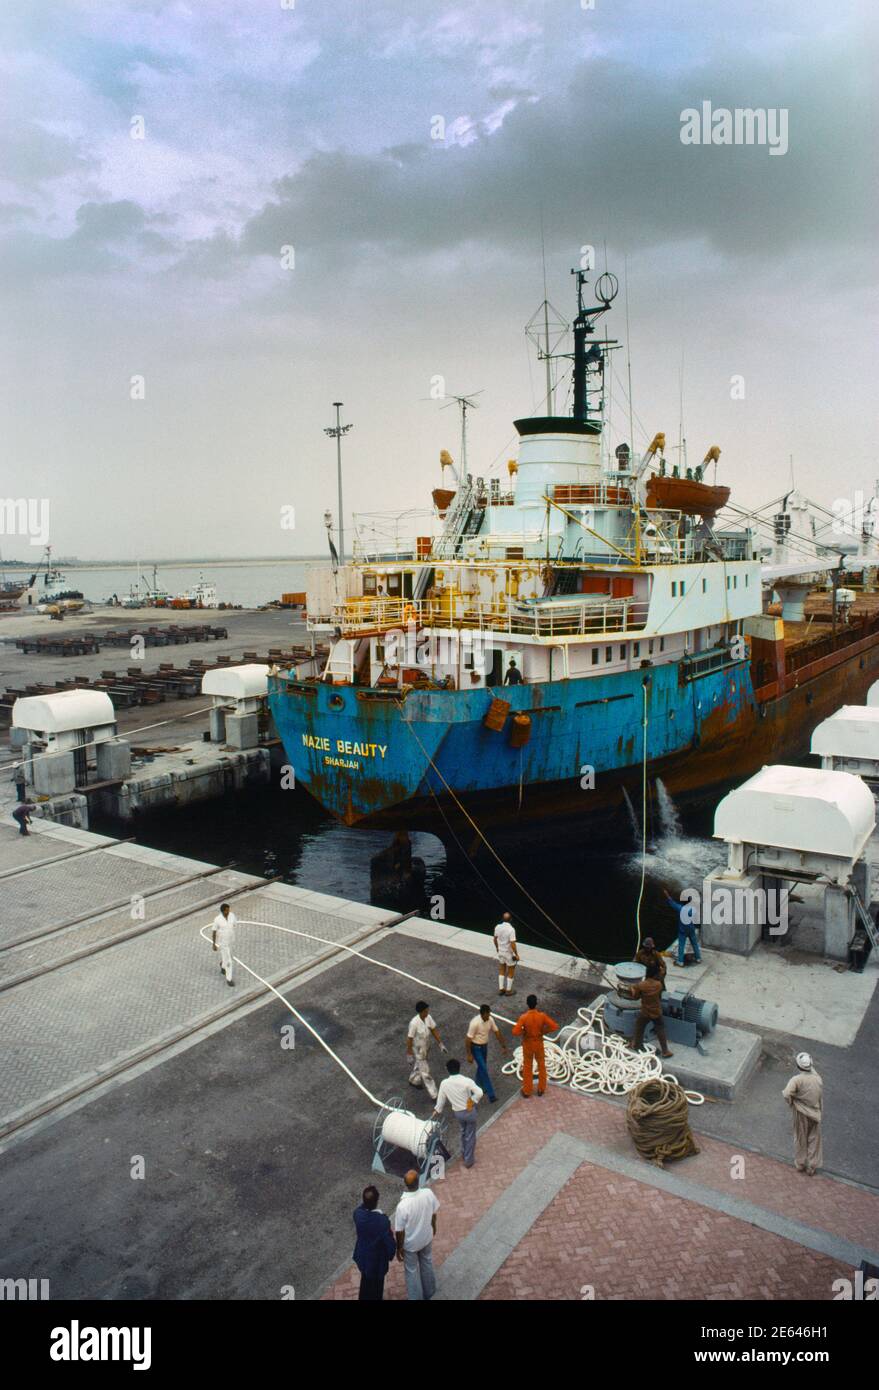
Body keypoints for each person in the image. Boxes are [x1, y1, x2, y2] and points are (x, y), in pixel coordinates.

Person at [394, 1169, 440, 1300]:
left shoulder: (403, 1206)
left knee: (411, 1271)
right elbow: (434, 1214)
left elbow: (399, 1231)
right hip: (426, 1238)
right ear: (418, 1181)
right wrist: (434, 1227)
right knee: (427, 1262)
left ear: (405, 1184)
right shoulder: (428, 1193)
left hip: (411, 1245)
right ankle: (430, 1292)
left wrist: (399, 1248)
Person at [433, 1058, 483, 1168]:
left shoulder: (444, 1083)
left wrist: (437, 1110)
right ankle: (468, 1160)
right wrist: (472, 1100)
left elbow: (441, 1101)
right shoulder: (466, 1081)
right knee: (470, 1136)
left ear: (448, 1069)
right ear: (459, 1068)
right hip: (469, 1111)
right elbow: (479, 1092)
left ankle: (464, 1152)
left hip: (458, 1113)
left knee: (463, 1132)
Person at [782, 1052, 824, 1176]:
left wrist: (792, 1102)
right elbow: (820, 1098)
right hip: (815, 1113)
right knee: (814, 1139)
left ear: (798, 1066)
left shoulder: (797, 1080)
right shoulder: (818, 1079)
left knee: (801, 1138)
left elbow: (786, 1093)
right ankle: (812, 1166)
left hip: (801, 1113)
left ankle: (800, 1163)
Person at [352, 1185, 396, 1301]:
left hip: (363, 1258)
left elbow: (361, 1208)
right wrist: (391, 1254)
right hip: (377, 1261)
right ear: (376, 1202)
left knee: (365, 1283)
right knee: (377, 1288)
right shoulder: (382, 1221)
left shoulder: (358, 1215)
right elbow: (390, 1243)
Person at [512, 994, 560, 1098]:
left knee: (527, 1067)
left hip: (528, 1044)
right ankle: (541, 1089)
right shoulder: (542, 1016)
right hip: (538, 1042)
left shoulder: (523, 1017)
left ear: (527, 1004)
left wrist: (524, 1032)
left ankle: (527, 1091)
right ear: (536, 1003)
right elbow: (554, 1026)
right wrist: (543, 1032)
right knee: (541, 1066)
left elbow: (515, 1031)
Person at [627, 962, 674, 1058]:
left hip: (645, 1011)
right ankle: (665, 1051)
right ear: (655, 974)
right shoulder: (659, 985)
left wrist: (632, 989)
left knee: (639, 1027)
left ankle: (636, 1045)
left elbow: (635, 997)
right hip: (656, 1011)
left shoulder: (640, 985)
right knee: (660, 1029)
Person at [466, 1004, 507, 1103]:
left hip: (484, 1047)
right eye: (488, 1014)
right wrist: (469, 1054)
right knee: (484, 1070)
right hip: (475, 1048)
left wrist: (503, 1045)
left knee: (481, 1068)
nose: (489, 1015)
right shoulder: (474, 1023)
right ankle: (491, 1095)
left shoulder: (490, 1020)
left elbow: (497, 1032)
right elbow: (468, 1040)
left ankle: (474, 1088)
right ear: (483, 1014)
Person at [406, 1001, 446, 1100]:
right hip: (418, 1049)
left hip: (426, 1046)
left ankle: (414, 1080)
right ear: (421, 1011)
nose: (428, 1011)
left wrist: (440, 1043)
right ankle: (434, 1094)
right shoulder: (414, 1023)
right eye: (426, 1010)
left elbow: (433, 1030)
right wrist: (409, 1053)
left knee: (420, 1064)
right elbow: (409, 1038)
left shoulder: (428, 1018)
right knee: (425, 1072)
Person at [664, 890, 702, 967]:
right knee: (694, 943)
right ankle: (698, 958)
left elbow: (672, 903)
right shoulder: (693, 909)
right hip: (691, 929)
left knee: (681, 945)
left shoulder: (680, 908)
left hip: (683, 930)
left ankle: (680, 961)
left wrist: (667, 895)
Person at [494, 911, 520, 996]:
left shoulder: (497, 927)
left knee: (502, 969)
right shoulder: (511, 929)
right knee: (511, 971)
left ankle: (501, 989)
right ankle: (508, 991)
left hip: (500, 951)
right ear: (511, 920)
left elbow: (494, 939)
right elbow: (512, 943)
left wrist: (497, 948)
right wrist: (516, 954)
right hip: (508, 953)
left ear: (502, 919)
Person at [211, 902, 237, 987]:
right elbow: (214, 931)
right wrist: (214, 944)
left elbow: (234, 924)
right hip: (223, 943)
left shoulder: (232, 915)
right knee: (229, 960)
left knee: (226, 956)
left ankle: (223, 967)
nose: (228, 911)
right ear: (222, 911)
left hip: (231, 940)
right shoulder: (217, 919)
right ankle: (229, 979)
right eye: (226, 910)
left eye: (229, 909)